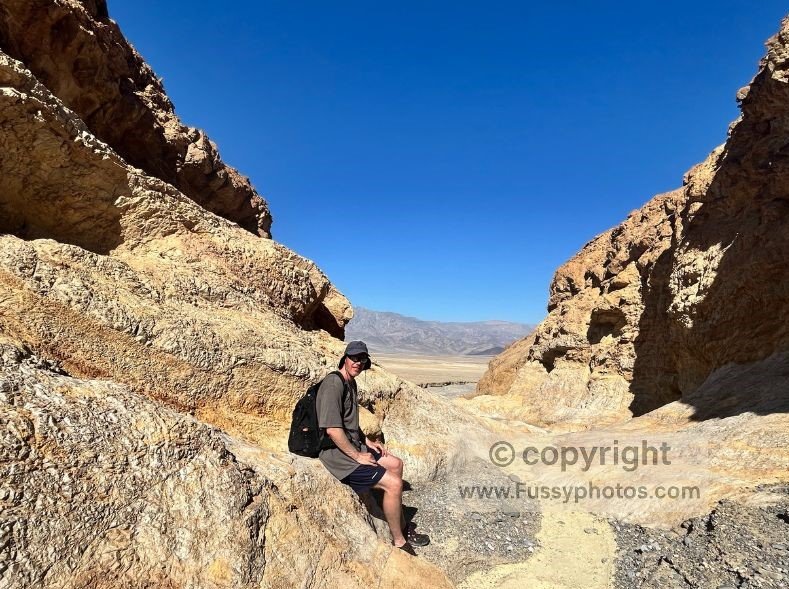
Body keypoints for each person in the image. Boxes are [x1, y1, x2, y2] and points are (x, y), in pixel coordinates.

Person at [316, 340, 430, 555]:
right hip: (336, 453)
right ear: (345, 358)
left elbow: (348, 419)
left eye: (362, 359)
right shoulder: (334, 383)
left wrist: (366, 441)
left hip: (353, 445)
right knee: (395, 484)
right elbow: (332, 429)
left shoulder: (350, 382)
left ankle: (401, 523)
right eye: (353, 357)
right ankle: (399, 541)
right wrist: (358, 455)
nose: (357, 362)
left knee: (396, 464)